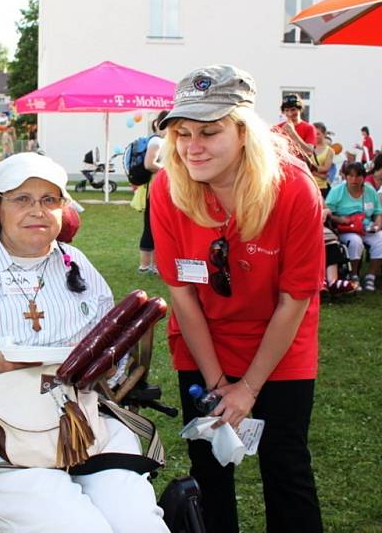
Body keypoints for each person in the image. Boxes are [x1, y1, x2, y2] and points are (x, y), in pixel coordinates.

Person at [0, 152, 169, 532]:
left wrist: (109, 363)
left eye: (49, 200)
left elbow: (110, 347)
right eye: (21, 199)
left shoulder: (76, 265)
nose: (37, 211)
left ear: (63, 208)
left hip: (82, 419)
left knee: (138, 522)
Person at [150, 65, 324, 533]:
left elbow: (295, 301)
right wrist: (217, 384)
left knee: (286, 466)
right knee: (210, 468)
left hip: (280, 347)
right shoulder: (167, 187)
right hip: (203, 341)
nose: (193, 146)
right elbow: (182, 295)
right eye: (183, 133)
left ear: (244, 131)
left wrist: (248, 388)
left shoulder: (293, 190)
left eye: (210, 131)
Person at [325, 161, 382, 292]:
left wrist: (378, 225)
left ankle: (371, 276)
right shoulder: (337, 191)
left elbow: (378, 212)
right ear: (345, 177)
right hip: (347, 227)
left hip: (366, 226)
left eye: (358, 176)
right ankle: (354, 275)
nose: (354, 179)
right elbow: (328, 212)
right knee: (355, 242)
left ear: (364, 177)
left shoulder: (370, 191)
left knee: (380, 239)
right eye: (350, 176)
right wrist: (340, 219)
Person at [138, 110, 169, 274]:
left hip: (159, 188)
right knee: (152, 227)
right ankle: (146, 266)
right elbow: (149, 164)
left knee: (158, 227)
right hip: (157, 190)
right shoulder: (157, 141)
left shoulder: (160, 141)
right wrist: (169, 169)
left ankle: (155, 265)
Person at [274, 93, 315, 159]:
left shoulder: (309, 128)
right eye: (287, 110)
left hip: (301, 166)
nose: (290, 113)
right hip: (282, 165)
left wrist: (293, 133)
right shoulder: (277, 128)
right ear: (283, 112)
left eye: (293, 109)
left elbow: (309, 152)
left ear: (300, 109)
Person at [311, 122, 335, 198]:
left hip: (322, 187)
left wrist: (311, 168)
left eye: (318, 134)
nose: (315, 136)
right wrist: (319, 174)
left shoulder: (329, 151)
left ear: (324, 134)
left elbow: (325, 169)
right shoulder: (308, 147)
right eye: (314, 133)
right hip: (309, 184)